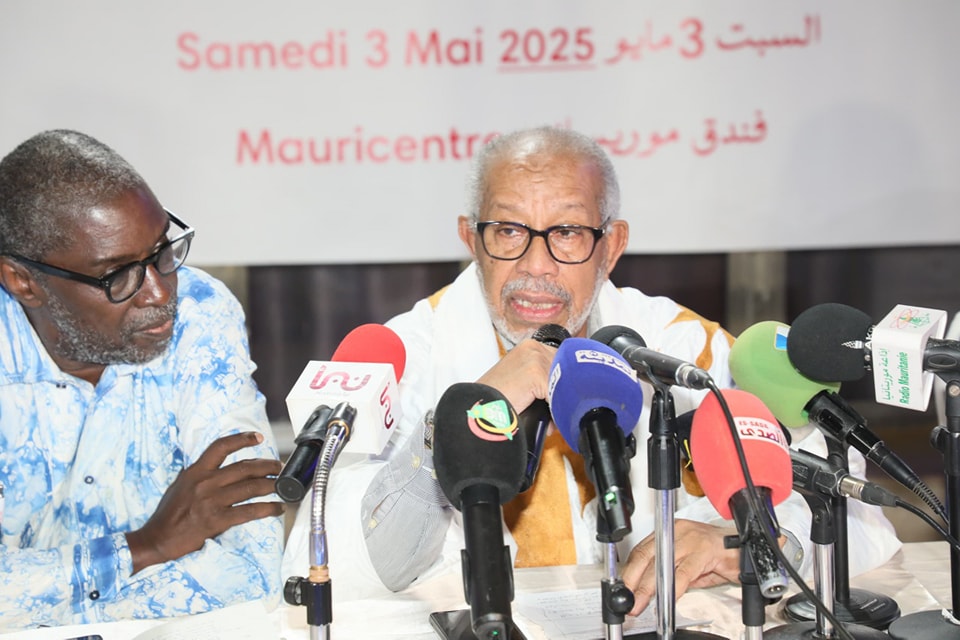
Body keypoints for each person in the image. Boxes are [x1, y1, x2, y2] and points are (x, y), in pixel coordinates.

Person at [282, 125, 900, 613]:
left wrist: (749, 542)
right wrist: (451, 426)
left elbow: (852, 512)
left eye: (569, 233)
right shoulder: (402, 357)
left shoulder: (683, 348)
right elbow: (326, 567)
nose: (537, 266)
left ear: (612, 245)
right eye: (508, 231)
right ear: (471, 238)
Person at [0, 130, 285, 630]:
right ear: (23, 282)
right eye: (117, 275)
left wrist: (41, 601)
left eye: (161, 252)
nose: (159, 292)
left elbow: (252, 572)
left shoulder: (199, 311)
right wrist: (144, 548)